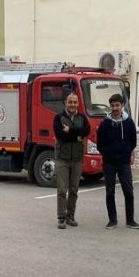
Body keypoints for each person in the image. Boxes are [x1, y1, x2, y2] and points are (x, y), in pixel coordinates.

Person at [95, 94, 139, 229]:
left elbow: (133, 141)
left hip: (124, 163)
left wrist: (126, 153)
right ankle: (112, 220)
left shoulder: (129, 123)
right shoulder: (104, 124)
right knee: (110, 192)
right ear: (110, 106)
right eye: (113, 105)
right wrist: (108, 153)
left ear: (122, 106)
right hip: (109, 163)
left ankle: (130, 220)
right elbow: (99, 144)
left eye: (117, 105)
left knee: (128, 191)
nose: (115, 108)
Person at [53, 91, 91, 229]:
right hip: (62, 158)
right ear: (65, 103)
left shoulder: (82, 117)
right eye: (70, 102)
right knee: (62, 190)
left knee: (74, 190)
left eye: (75, 102)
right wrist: (77, 135)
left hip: (77, 159)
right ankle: (61, 217)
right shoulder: (58, 117)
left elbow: (87, 131)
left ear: (78, 103)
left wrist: (71, 130)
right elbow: (60, 135)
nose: (72, 104)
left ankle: (71, 216)